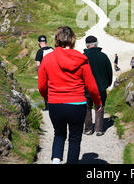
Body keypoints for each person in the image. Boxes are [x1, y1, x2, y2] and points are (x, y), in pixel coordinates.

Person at [38, 27, 102, 164]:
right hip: (77, 104)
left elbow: (42, 86)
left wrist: (47, 98)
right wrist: (98, 103)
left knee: (59, 134)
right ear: (73, 40)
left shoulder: (48, 59)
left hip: (55, 103)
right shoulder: (82, 59)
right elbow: (92, 86)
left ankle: (55, 161)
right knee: (74, 138)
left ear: (56, 40)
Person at [83, 36, 113, 136]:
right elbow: (109, 71)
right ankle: (99, 129)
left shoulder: (83, 57)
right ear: (96, 43)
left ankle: (88, 129)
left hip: (85, 88)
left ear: (86, 45)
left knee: (87, 107)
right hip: (100, 86)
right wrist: (108, 83)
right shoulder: (103, 56)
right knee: (99, 106)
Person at [35, 35, 53, 111]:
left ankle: (47, 107)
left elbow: (38, 64)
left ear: (39, 43)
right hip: (55, 73)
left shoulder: (39, 52)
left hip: (45, 74)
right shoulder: (52, 49)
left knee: (45, 90)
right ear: (46, 42)